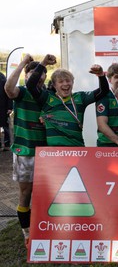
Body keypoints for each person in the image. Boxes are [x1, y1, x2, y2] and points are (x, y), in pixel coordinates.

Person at [4, 54, 48, 247]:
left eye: (40, 73)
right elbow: (7, 88)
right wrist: (23, 63)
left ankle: (44, 227)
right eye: (32, 72)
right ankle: (27, 233)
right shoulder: (21, 91)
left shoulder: (49, 94)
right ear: (27, 74)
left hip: (47, 152)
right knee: (26, 192)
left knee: (46, 192)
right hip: (25, 151)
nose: (37, 76)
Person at [26, 54, 110, 146]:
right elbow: (31, 85)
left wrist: (101, 75)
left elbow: (103, 91)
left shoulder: (81, 97)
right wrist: (43, 63)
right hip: (53, 154)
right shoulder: (47, 98)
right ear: (54, 85)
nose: (65, 84)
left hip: (76, 150)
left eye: (68, 80)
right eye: (61, 81)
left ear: (73, 82)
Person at [0, 72, 12, 151]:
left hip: (3, 107)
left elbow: (8, 93)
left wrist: (10, 107)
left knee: (5, 126)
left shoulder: (2, 78)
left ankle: (7, 144)